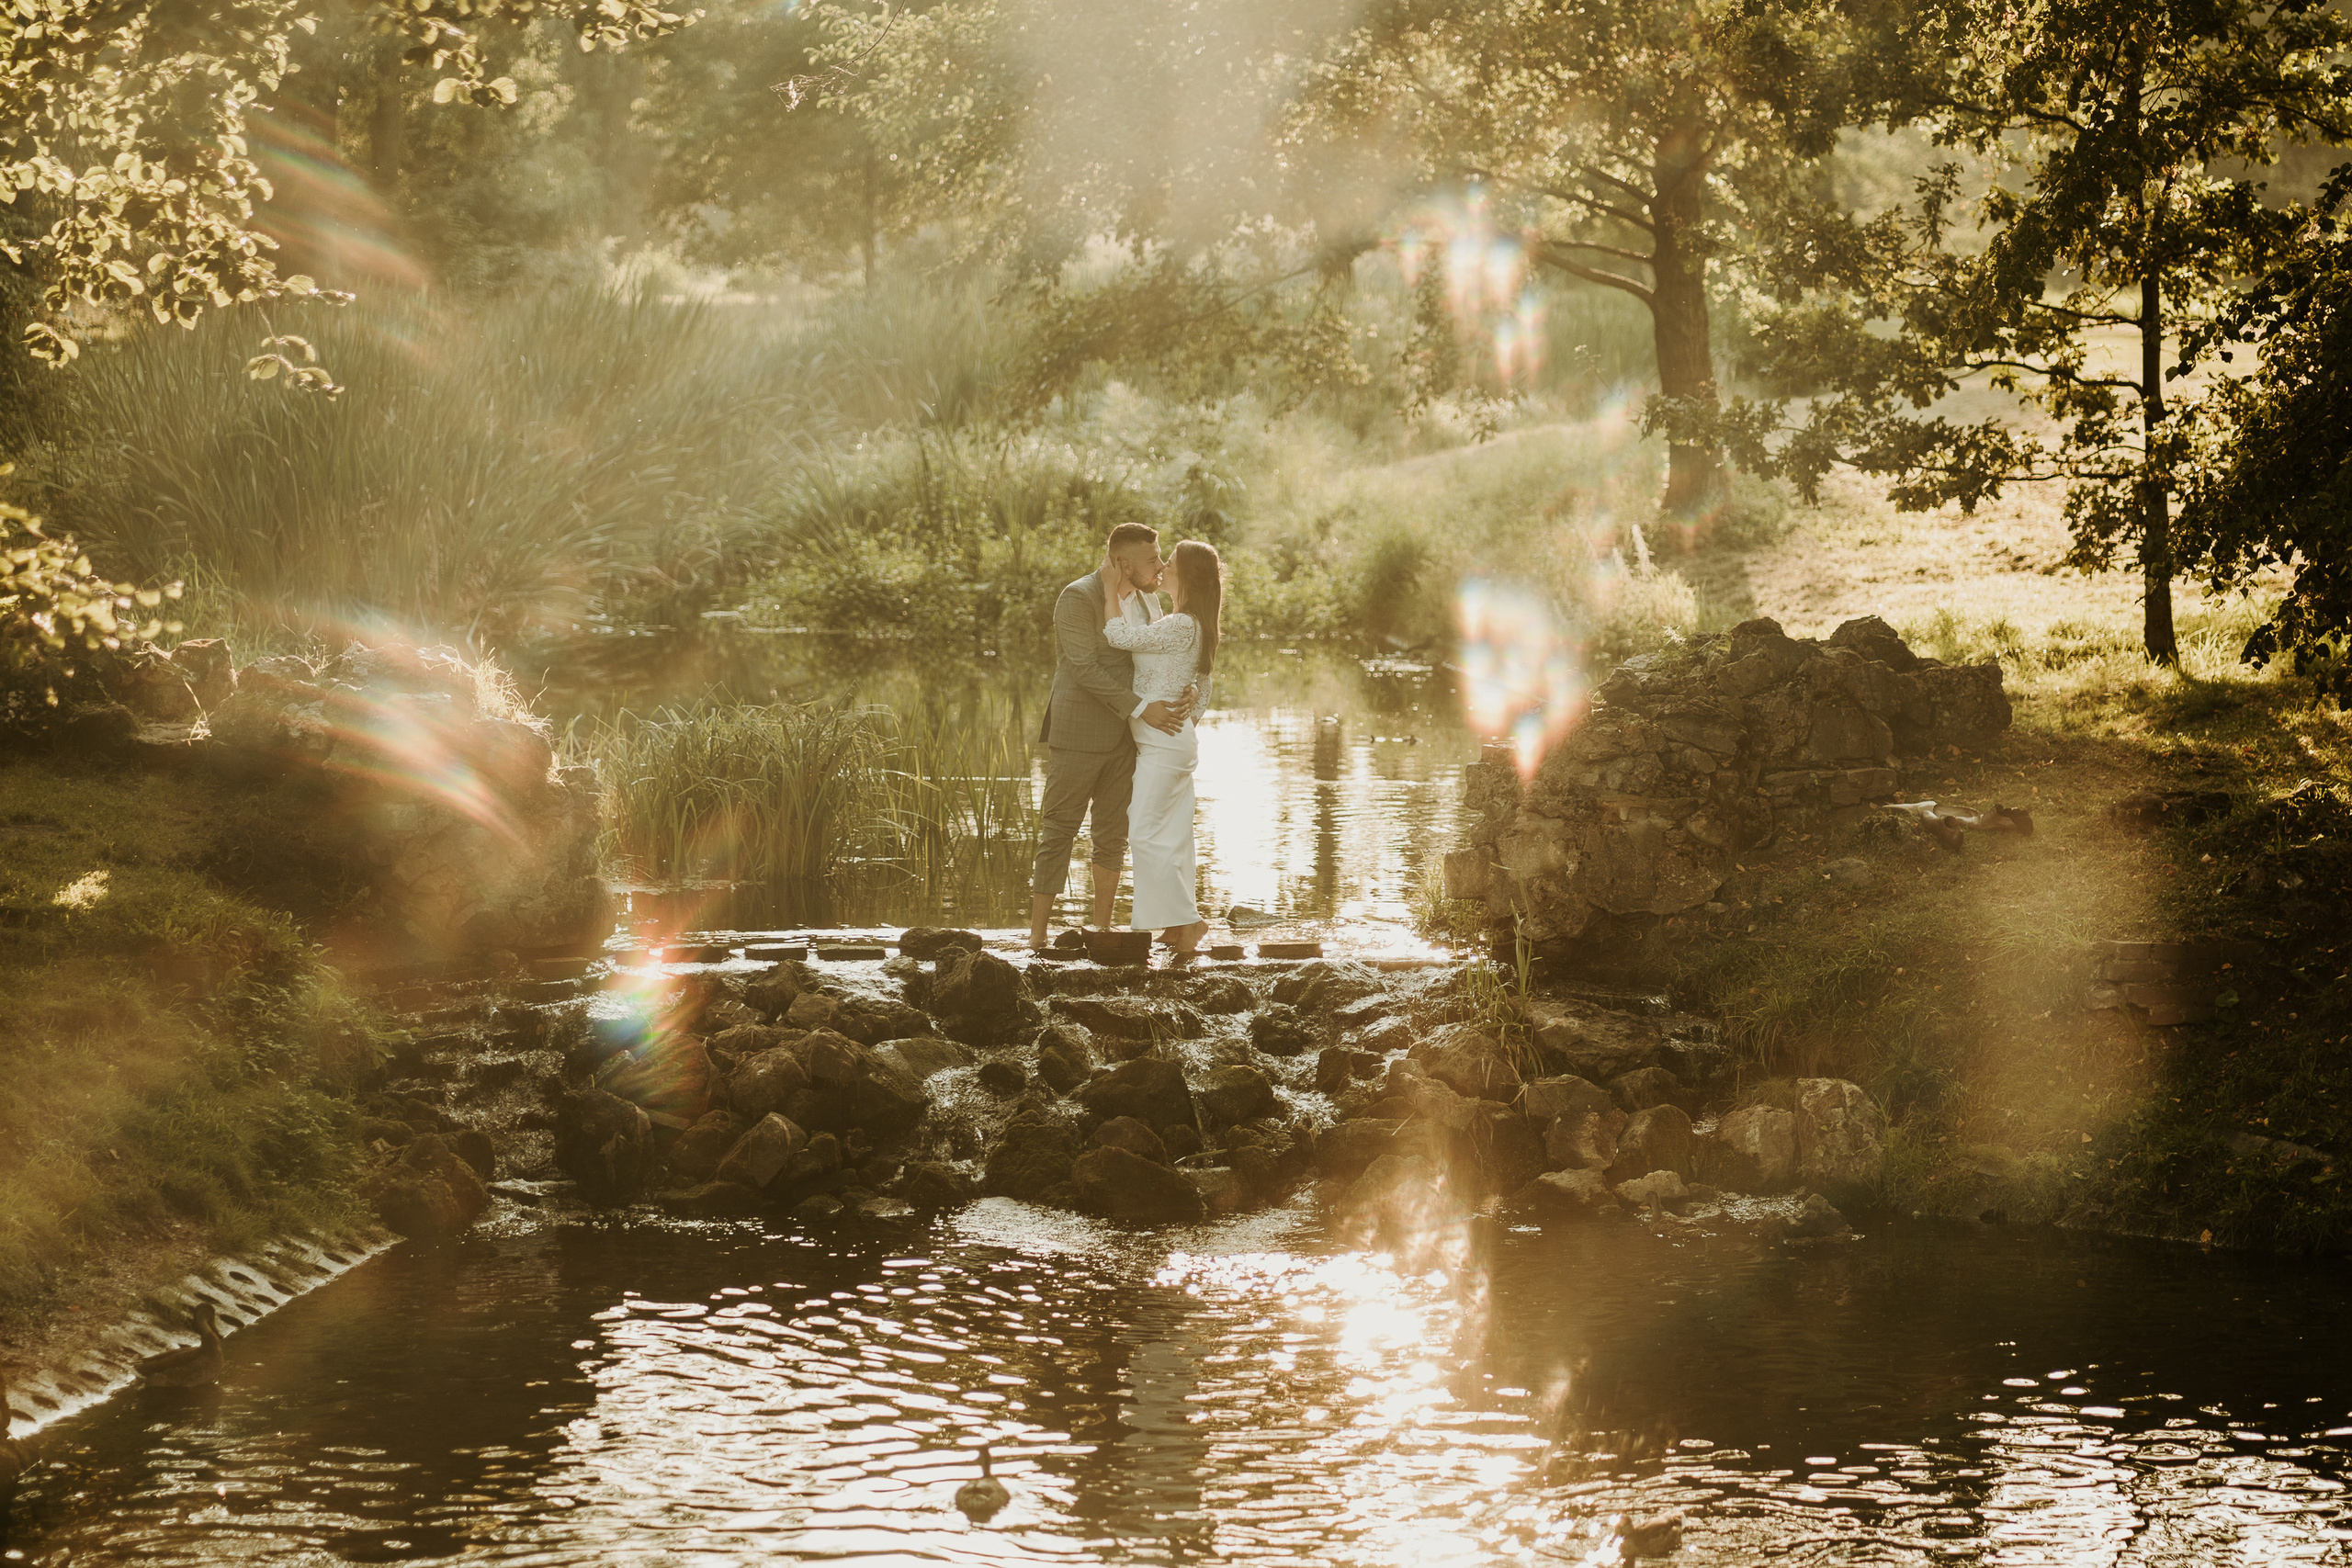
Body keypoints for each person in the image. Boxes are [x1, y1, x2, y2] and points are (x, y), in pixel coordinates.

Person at [1030, 524, 1193, 951]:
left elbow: (1160, 658)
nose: (1160, 566)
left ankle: (1101, 929)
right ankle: (1037, 936)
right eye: (1152, 559)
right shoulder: (1077, 597)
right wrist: (1140, 707)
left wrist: (1187, 688)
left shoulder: (1150, 600)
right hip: (1079, 733)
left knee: (1112, 834)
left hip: (1129, 739)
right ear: (1123, 564)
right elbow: (1084, 667)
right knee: (1059, 829)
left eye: (1160, 558)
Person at [1101, 538, 1221, 957]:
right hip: (1169, 742)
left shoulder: (1183, 623)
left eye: (1169, 562)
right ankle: (1173, 923)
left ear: (1185, 575)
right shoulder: (1184, 622)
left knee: (1144, 830)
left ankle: (1189, 922)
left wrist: (1108, 588)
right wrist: (1190, 711)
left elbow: (1117, 635)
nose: (1162, 567)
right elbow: (1203, 683)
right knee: (1173, 836)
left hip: (1165, 745)